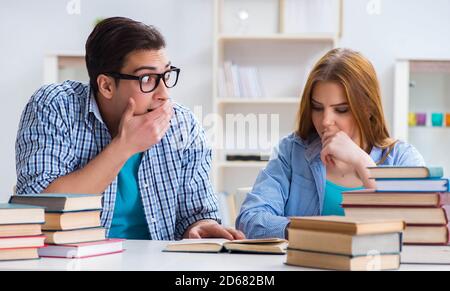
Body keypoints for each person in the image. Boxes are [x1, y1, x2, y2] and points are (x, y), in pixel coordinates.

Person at [16, 17, 244, 241]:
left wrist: (201, 227)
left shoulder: (183, 125)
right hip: (76, 261)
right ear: (106, 85)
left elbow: (197, 213)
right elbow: (40, 206)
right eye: (147, 79)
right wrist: (124, 147)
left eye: (166, 75)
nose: (164, 93)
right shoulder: (55, 106)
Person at [236, 48, 425, 239]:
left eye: (341, 109)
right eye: (317, 108)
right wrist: (316, 232)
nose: (325, 120)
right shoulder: (292, 151)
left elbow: (420, 228)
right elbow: (250, 219)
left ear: (368, 108)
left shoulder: (403, 158)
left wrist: (363, 162)